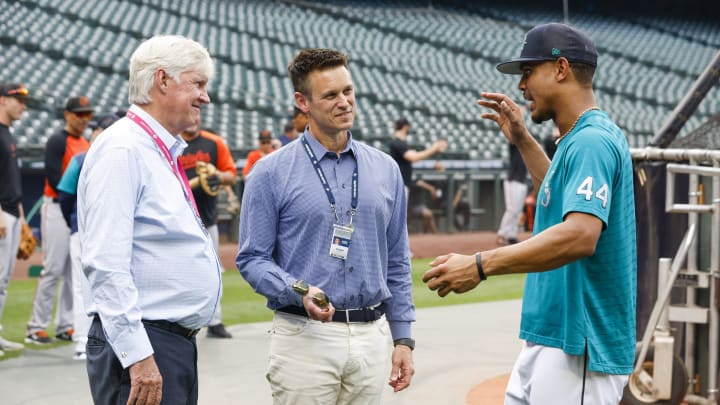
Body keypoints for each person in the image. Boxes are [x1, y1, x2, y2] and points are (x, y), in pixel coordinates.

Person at [422, 23, 636, 405]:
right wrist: (523, 139)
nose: (522, 86)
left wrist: (480, 264)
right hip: (552, 335)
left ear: (560, 69)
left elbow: (580, 235)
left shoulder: (591, 140)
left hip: (579, 344)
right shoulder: (578, 139)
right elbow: (556, 193)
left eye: (528, 72)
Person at [236, 48, 416, 404]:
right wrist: (299, 289)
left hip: (371, 337)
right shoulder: (270, 173)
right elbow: (252, 258)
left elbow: (397, 258)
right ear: (302, 102)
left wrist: (403, 338)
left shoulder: (385, 169)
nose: (344, 102)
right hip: (305, 338)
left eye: (348, 91)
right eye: (331, 95)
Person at [77, 35, 223, 404]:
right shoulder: (123, 148)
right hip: (145, 346)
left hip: (166, 344)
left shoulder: (152, 147)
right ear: (162, 80)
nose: (205, 97)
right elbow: (107, 264)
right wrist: (138, 357)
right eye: (198, 84)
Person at [27, 95, 94, 344]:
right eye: (79, 114)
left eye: (87, 114)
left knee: (71, 270)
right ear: (67, 114)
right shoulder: (58, 140)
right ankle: (35, 327)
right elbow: (55, 178)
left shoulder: (85, 143)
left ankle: (65, 324)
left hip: (73, 208)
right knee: (53, 268)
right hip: (56, 205)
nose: (84, 119)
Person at [57, 112, 119, 360]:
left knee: (89, 286)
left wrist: (74, 221)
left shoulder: (86, 159)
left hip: (95, 231)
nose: (95, 133)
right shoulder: (82, 159)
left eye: (99, 129)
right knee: (92, 285)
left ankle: (88, 340)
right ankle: (85, 340)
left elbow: (65, 197)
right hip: (92, 231)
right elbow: (64, 195)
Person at [179, 121, 238, 339]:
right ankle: (184, 322)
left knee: (211, 272)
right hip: (179, 220)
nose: (193, 120)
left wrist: (218, 177)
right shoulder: (172, 141)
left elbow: (231, 174)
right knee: (181, 274)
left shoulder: (213, 143)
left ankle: (215, 321)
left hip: (207, 219)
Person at [0, 82, 31, 355]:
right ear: (1, 101)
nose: (23, 104)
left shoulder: (7, 134)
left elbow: (11, 182)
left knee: (4, 281)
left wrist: (22, 220)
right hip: (1, 214)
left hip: (12, 213)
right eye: (17, 99)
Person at [388, 117, 448, 198]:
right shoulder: (396, 143)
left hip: (402, 184)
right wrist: (434, 148)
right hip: (398, 185)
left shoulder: (402, 144)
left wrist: (433, 150)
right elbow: (414, 158)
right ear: (406, 126)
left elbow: (415, 158)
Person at [496, 142, 528, 245]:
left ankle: (511, 235)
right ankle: (501, 234)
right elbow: (512, 138)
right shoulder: (514, 144)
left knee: (517, 211)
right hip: (512, 180)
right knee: (512, 210)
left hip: (522, 180)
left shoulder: (526, 146)